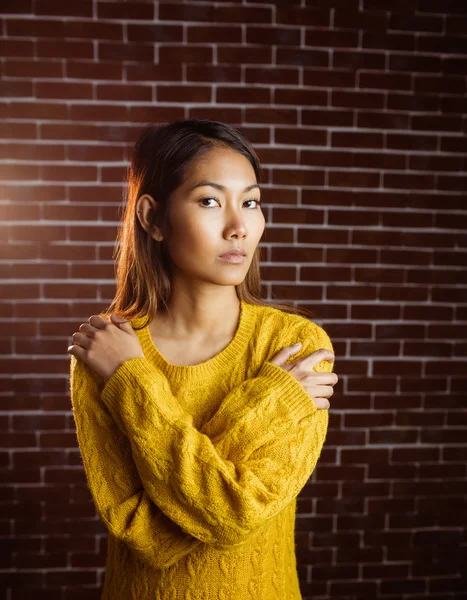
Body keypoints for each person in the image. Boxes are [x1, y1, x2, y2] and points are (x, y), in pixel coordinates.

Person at [67, 118, 338, 600]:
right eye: (210, 201)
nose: (239, 227)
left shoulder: (295, 344)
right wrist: (274, 403)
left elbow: (237, 514)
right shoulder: (106, 353)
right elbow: (136, 527)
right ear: (152, 218)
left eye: (250, 202)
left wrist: (131, 385)